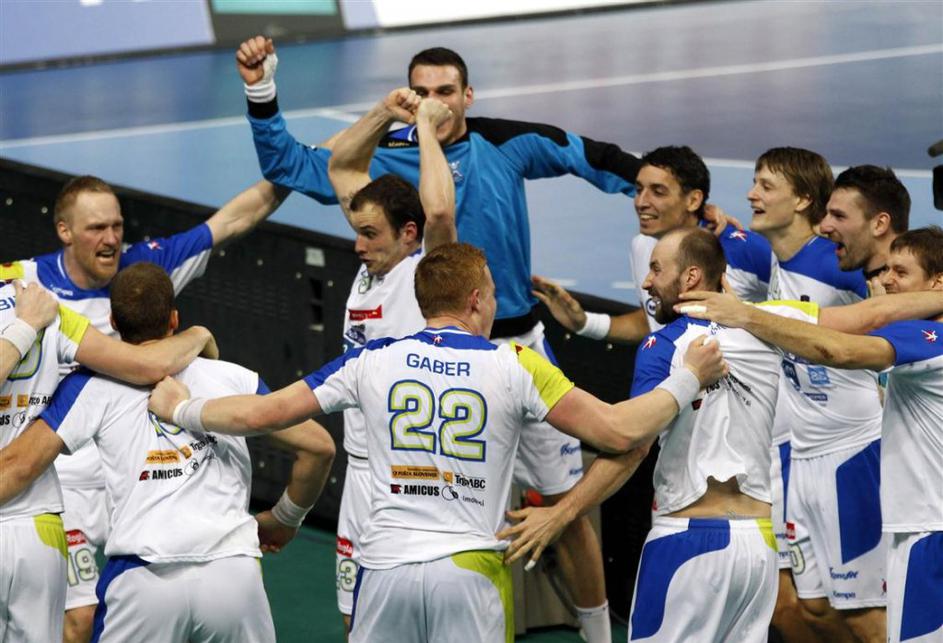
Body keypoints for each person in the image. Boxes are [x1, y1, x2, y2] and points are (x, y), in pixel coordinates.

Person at [238, 38, 628, 636]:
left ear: (467, 95)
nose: (435, 103)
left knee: (564, 508)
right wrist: (268, 92)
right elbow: (299, 166)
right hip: (427, 381)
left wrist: (675, 203)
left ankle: (597, 633)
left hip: (514, 348)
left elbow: (580, 162)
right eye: (422, 92)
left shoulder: (492, 159)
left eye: (445, 92)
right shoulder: (385, 178)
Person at [148, 242, 728, 643]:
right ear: (475, 300)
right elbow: (620, 431)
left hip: (385, 568)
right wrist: (687, 379)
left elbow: (260, 413)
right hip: (469, 570)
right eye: (491, 293)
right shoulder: (516, 363)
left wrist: (180, 408)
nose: (494, 303)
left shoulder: (370, 360)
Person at [3, 173, 293, 642]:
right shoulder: (26, 287)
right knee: (78, 621)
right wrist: (197, 335)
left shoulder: (142, 271)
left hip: (139, 479)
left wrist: (291, 172)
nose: (111, 239)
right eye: (97, 228)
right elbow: (144, 365)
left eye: (117, 226)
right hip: (69, 483)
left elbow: (232, 220)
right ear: (64, 231)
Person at [503, 227, 794, 642]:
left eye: (656, 270)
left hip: (688, 543)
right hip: (759, 549)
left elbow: (632, 444)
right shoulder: (766, 334)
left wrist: (561, 514)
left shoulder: (665, 344)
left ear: (691, 277)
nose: (646, 282)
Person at [677, 226, 943, 643]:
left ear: (937, 284)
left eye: (901, 272)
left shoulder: (927, 338)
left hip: (928, 529)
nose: (886, 280)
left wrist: (744, 314)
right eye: (887, 269)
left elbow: (837, 349)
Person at [0, 276, 216, 643]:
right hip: (35, 527)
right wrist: (25, 327)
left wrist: (198, 334)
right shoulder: (35, 304)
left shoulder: (36, 302)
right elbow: (146, 364)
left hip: (34, 524)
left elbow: (144, 364)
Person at [326, 92, 456, 627]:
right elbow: (342, 167)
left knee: (422, 621)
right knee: (354, 618)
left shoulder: (425, 271)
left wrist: (425, 125)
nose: (358, 244)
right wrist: (385, 112)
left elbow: (439, 211)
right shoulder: (371, 262)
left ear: (408, 234)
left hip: (411, 474)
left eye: (369, 234)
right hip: (360, 470)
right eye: (357, 232)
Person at [533, 145, 773, 344]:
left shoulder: (743, 250)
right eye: (639, 190)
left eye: (658, 192)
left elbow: (793, 319)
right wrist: (584, 323)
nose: (641, 202)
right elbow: (652, 322)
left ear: (693, 200)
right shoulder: (642, 246)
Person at [820, 165, 911, 285]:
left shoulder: (918, 291)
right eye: (826, 214)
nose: (823, 227)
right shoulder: (870, 286)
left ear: (879, 224)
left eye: (839, 216)